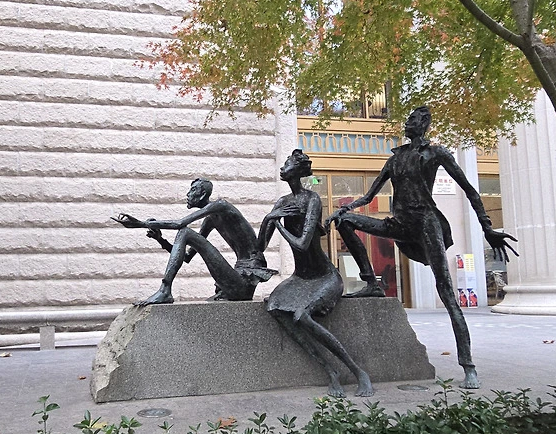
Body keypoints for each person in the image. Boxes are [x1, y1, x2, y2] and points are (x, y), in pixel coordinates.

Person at [327, 106, 517, 389]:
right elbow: (368, 196)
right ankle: (372, 283)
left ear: (425, 123)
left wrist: (487, 227)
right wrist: (343, 209)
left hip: (426, 224)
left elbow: (469, 190)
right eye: (408, 119)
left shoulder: (437, 153)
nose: (408, 123)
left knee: (447, 293)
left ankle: (468, 366)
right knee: (345, 223)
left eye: (414, 119)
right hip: (399, 223)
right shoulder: (396, 158)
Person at [260, 150, 373, 398]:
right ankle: (330, 371)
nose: (283, 167)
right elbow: (259, 248)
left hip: (324, 277)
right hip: (299, 279)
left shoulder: (312, 200)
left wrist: (277, 223)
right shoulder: (282, 203)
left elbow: (302, 244)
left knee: (302, 316)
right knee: (275, 307)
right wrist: (269, 219)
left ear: (299, 170)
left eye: (288, 163)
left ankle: (358, 372)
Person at [114, 178, 276, 305]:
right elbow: (186, 257)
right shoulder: (210, 220)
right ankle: (165, 290)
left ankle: (165, 290)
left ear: (203, 195)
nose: (188, 194)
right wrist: (160, 239)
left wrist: (142, 224)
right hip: (235, 280)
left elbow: (180, 224)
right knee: (185, 234)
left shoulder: (221, 205)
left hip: (243, 284)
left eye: (192, 190)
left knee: (184, 231)